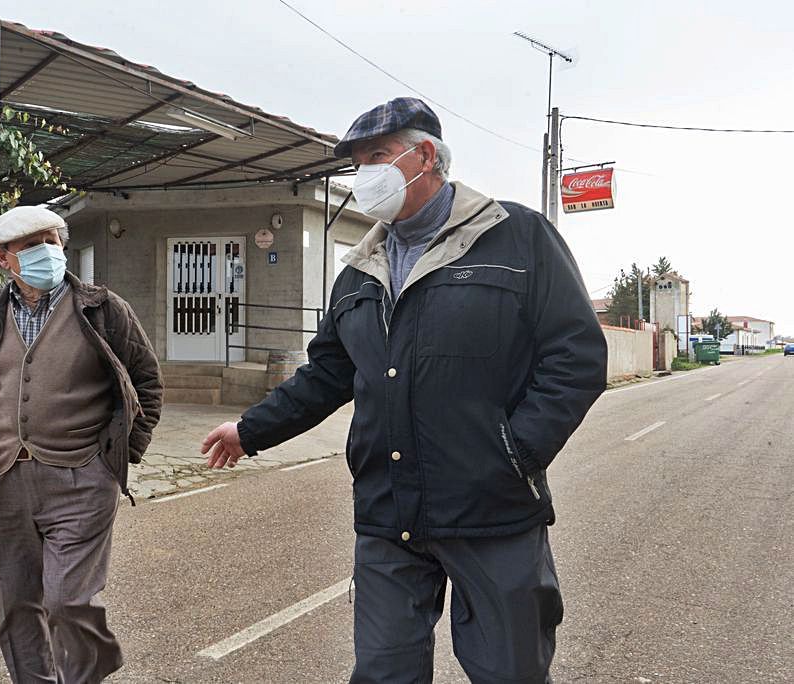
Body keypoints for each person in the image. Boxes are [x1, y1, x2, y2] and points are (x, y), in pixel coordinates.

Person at [202, 98, 607, 683]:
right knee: (384, 674)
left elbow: (577, 356)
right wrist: (250, 429)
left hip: (490, 510)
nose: (366, 174)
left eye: (378, 157)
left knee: (511, 672)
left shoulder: (516, 238)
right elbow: (326, 374)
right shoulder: (359, 269)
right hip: (389, 511)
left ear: (424, 156)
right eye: (358, 163)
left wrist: (513, 454)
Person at [0, 206, 162, 683]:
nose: (49, 251)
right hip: (3, 484)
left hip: (84, 479)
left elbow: (146, 384)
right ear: (3, 258)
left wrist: (116, 458)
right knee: (18, 607)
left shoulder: (104, 309)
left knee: (70, 603)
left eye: (53, 240)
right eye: (32, 245)